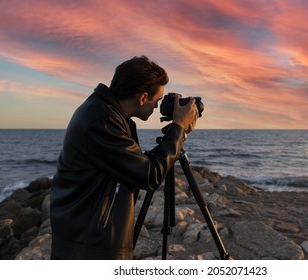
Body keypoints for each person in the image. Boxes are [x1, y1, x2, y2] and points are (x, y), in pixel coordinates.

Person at [50, 55, 198, 259]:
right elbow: (149, 175)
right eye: (156, 100)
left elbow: (131, 164)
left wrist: (174, 133)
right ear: (142, 97)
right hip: (89, 246)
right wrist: (178, 129)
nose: (157, 107)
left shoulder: (107, 114)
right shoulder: (101, 121)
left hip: (85, 237)